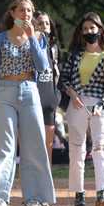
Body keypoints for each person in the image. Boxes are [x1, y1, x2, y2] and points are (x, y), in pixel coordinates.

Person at [0, 0, 55, 206]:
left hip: (30, 92)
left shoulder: (39, 37)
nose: (27, 15)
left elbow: (42, 68)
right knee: (5, 149)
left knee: (33, 147)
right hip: (4, 93)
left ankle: (33, 198)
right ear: (12, 13)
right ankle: (0, 197)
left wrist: (32, 38)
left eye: (30, 11)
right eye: (22, 10)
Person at [59, 12, 104, 206]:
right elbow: (63, 79)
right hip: (76, 104)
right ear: (80, 32)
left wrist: (101, 105)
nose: (89, 32)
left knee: (101, 148)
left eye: (92, 28)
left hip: (99, 106)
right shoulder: (74, 56)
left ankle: (102, 193)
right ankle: (79, 194)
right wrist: (72, 93)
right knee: (76, 150)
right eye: (85, 29)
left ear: (100, 30)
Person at [33, 11, 61, 163]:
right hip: (34, 98)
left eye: (47, 23)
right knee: (33, 143)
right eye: (40, 23)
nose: (44, 26)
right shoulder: (31, 46)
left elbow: (58, 73)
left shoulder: (55, 49)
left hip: (50, 100)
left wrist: (57, 96)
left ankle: (47, 180)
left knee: (48, 145)